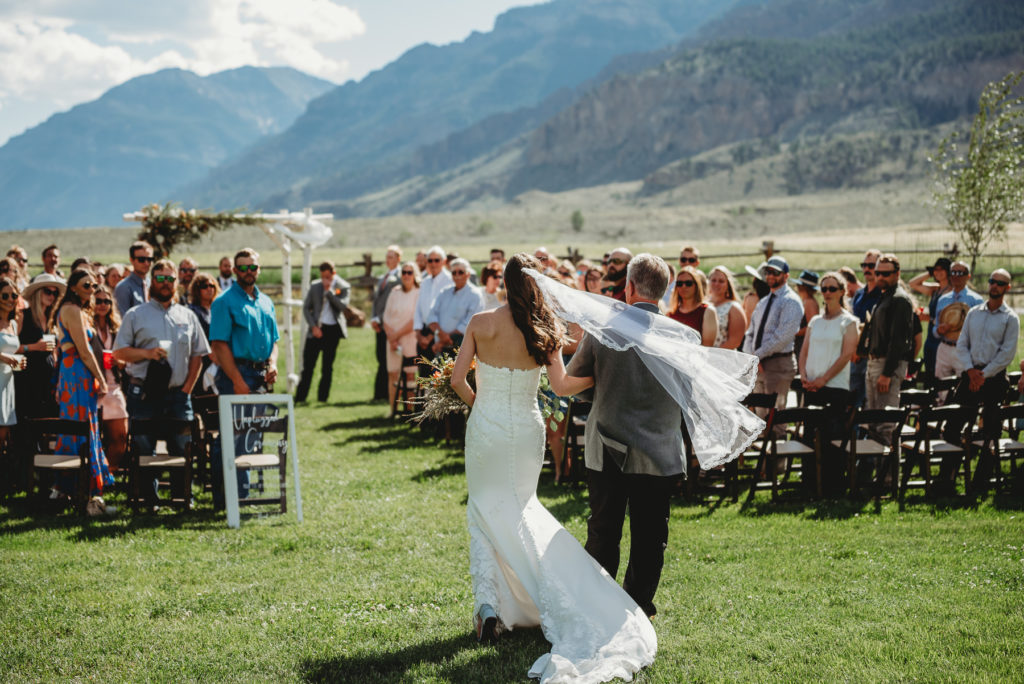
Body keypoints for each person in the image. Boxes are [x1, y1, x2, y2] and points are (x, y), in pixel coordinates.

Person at [449, 253, 656, 681]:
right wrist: (602, 375)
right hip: (527, 430)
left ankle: (488, 606)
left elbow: (456, 381)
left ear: (504, 283)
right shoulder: (543, 329)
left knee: (483, 511)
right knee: (522, 508)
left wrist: (481, 408)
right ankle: (513, 602)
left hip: (487, 429)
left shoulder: (481, 323)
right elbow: (562, 386)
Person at [114, 260, 209, 508]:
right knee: (145, 449)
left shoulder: (187, 315)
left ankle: (181, 498)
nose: (165, 284)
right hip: (144, 394)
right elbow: (119, 353)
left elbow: (199, 354)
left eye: (170, 279)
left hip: (179, 394)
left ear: (177, 282)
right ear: (151, 282)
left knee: (182, 448)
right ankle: (148, 500)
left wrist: (188, 387)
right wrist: (147, 354)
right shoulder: (136, 315)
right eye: (160, 278)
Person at [935, 269, 1019, 496]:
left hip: (993, 378)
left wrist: (984, 375)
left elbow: (1007, 354)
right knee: (953, 425)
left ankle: (981, 483)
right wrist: (971, 371)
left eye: (1000, 283)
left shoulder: (1010, 318)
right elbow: (962, 344)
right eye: (992, 281)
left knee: (991, 431)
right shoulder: (974, 313)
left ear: (1007, 288)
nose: (994, 286)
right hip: (971, 373)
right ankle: (946, 480)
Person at [208, 248, 279, 508]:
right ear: (235, 270)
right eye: (243, 267)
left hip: (261, 374)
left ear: (259, 270)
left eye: (253, 267)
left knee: (250, 436)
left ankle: (243, 495)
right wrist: (237, 380)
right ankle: (225, 499)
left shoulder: (266, 302)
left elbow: (275, 341)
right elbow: (219, 345)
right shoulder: (224, 302)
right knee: (230, 436)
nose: (249, 271)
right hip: (235, 373)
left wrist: (273, 362)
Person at [51, 270, 115, 515]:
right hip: (76, 374)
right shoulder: (71, 310)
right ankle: (73, 492)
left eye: (93, 284)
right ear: (73, 287)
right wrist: (102, 378)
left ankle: (77, 492)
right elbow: (84, 351)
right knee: (79, 429)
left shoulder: (78, 310)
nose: (91, 288)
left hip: (78, 374)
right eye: (85, 285)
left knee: (83, 428)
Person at [860, 254, 914, 470]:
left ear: (897, 274)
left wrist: (887, 373)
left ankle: (889, 478)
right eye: (877, 272)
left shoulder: (899, 299)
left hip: (887, 365)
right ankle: (877, 474)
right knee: (873, 422)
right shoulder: (884, 296)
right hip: (874, 363)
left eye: (886, 273)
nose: (880, 276)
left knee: (886, 424)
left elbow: (898, 341)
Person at [743, 256, 803, 427]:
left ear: (786, 276)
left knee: (775, 419)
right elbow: (750, 332)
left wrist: (757, 356)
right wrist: (751, 357)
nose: (770, 276)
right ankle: (765, 452)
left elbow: (782, 337)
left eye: (775, 273)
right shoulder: (763, 302)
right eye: (768, 272)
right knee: (760, 418)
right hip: (759, 364)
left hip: (778, 364)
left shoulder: (791, 301)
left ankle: (778, 454)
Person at [799, 272, 858, 437]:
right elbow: (804, 352)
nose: (828, 293)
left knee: (830, 440)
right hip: (811, 387)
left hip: (834, 387)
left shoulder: (849, 322)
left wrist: (823, 379)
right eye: (824, 289)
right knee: (810, 438)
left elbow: (846, 355)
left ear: (842, 292)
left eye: (832, 289)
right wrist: (803, 376)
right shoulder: (815, 321)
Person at [296, 261, 350, 403]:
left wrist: (330, 293)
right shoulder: (315, 286)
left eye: (328, 277)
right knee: (308, 366)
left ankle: (322, 399)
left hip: (332, 330)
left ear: (334, 274)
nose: (325, 280)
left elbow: (342, 306)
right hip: (316, 329)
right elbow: (306, 308)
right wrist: (313, 326)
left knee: (327, 367)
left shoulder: (342, 286)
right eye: (322, 277)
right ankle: (300, 397)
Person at [92, 285, 128, 473]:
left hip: (113, 385)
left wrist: (119, 362)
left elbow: (125, 357)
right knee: (94, 438)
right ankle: (94, 478)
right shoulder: (87, 326)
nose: (103, 305)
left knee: (121, 437)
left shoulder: (115, 328)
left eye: (107, 301)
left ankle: (108, 475)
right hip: (92, 386)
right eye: (98, 301)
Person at [932, 260, 983, 385]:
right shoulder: (943, 299)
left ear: (968, 276)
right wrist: (939, 330)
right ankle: (942, 403)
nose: (956, 275)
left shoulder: (976, 300)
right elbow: (935, 327)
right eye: (953, 272)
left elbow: (981, 327)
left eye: (960, 272)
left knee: (963, 384)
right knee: (941, 385)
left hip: (965, 349)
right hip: (944, 347)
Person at [382, 262, 420, 415]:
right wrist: (392, 338)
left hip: (409, 338)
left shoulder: (419, 293)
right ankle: (393, 409)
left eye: (409, 272)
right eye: (404, 272)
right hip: (392, 341)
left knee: (410, 374)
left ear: (414, 274)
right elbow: (386, 316)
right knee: (393, 373)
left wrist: (396, 335)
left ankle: (409, 412)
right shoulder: (394, 292)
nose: (406, 275)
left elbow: (414, 319)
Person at [908, 257, 952, 381]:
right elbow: (913, 283)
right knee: (930, 369)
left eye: (941, 269)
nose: (938, 272)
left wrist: (930, 318)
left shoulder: (951, 291)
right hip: (931, 336)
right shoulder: (935, 290)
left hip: (944, 336)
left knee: (941, 372)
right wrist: (930, 272)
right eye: (935, 270)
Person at [428, 258, 482, 356]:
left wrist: (443, 340)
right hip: (440, 348)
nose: (457, 276)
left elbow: (468, 324)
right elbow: (431, 316)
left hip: (461, 349)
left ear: (468, 274)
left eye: (460, 272)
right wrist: (440, 333)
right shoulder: (444, 292)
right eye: (454, 273)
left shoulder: (475, 295)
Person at [849, 249, 883, 408]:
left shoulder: (882, 295)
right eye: (864, 265)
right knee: (853, 399)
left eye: (871, 265)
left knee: (870, 401)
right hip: (855, 354)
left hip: (873, 353)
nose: (866, 269)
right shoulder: (859, 294)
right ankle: (853, 432)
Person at [0, 277, 26, 482]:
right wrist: (3, 358)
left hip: (7, 383)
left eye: (14, 295)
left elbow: (14, 350)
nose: (10, 299)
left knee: (4, 435)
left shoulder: (14, 323)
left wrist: (18, 361)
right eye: (5, 295)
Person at [413, 245, 452, 372]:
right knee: (424, 377)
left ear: (444, 261)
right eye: (430, 260)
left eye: (437, 260)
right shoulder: (425, 282)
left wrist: (431, 335)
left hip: (439, 335)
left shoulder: (450, 281)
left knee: (437, 377)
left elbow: (446, 311)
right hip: (422, 334)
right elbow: (418, 309)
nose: (433, 263)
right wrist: (418, 334)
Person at [370, 246, 402, 401]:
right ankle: (380, 393)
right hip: (379, 324)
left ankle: (384, 393)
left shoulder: (401, 277)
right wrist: (374, 319)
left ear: (398, 259)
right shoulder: (383, 277)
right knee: (379, 357)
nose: (388, 260)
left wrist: (383, 320)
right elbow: (377, 301)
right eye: (387, 257)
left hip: (391, 325)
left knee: (387, 358)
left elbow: (394, 303)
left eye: (391, 257)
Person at [667, 265, 717, 346]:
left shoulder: (707, 311)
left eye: (688, 283)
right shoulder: (671, 313)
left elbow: (707, 347)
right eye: (679, 283)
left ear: (697, 285)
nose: (683, 286)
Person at [707, 266, 746, 350]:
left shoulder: (734, 308)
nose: (716, 284)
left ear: (728, 284)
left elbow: (735, 341)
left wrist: (713, 354)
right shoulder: (703, 304)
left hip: (724, 357)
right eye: (713, 280)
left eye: (721, 281)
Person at [114, 241, 154, 317]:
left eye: (149, 259)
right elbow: (123, 320)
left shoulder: (152, 284)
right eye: (141, 259)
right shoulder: (123, 287)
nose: (146, 263)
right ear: (132, 260)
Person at [793, 270, 821, 361]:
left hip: (804, 342)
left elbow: (812, 327)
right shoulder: (805, 301)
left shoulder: (810, 303)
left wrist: (794, 332)